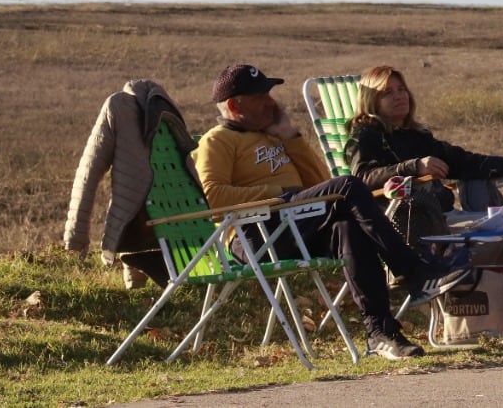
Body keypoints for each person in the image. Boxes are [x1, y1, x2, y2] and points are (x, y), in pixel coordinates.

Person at [193, 63, 470, 361]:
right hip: (253, 236)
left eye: (270, 93)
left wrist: (292, 137)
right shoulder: (217, 140)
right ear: (234, 105)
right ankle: (413, 271)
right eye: (260, 96)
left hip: (294, 225)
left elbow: (318, 184)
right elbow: (213, 197)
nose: (271, 101)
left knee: (349, 226)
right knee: (350, 186)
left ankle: (381, 333)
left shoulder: (275, 136)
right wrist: (280, 195)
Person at [344, 65, 503, 243]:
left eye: (401, 89)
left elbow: (462, 161)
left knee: (483, 182)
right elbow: (362, 177)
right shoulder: (365, 136)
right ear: (372, 101)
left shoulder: (415, 135)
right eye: (387, 93)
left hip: (441, 213)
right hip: (410, 221)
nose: (399, 96)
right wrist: (414, 167)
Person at [64, 79, 196, 288]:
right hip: (180, 225)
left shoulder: (118, 106)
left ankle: (137, 291)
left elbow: (89, 172)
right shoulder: (168, 110)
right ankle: (142, 290)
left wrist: (76, 237)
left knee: (133, 215)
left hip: (134, 222)